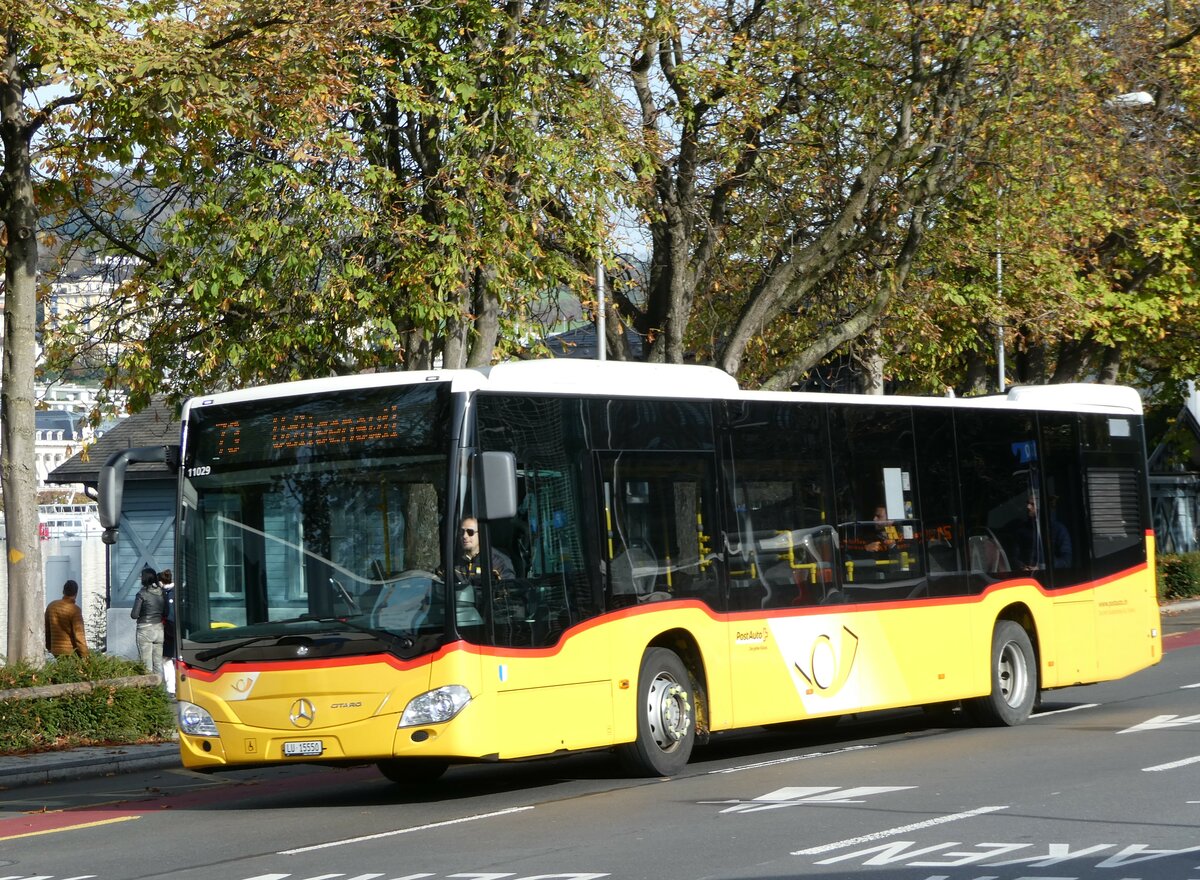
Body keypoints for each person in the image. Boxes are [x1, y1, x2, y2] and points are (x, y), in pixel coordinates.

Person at [1014, 493, 1072, 572]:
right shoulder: (1021, 530)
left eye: (1032, 504)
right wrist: (1023, 567)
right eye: (1027, 503)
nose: (1028, 507)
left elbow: (1066, 561)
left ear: (1043, 507)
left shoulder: (1059, 529)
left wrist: (1042, 567)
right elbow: (1015, 557)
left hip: (1050, 577)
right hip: (1026, 576)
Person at [454, 516, 515, 583]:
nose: (464, 536)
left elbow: (508, 589)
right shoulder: (454, 560)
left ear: (481, 534)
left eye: (470, 532)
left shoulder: (499, 562)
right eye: (462, 532)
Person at [131, 567, 166, 677]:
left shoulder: (142, 594)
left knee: (146, 666)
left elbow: (134, 615)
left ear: (144, 578)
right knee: (158, 664)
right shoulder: (161, 593)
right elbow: (166, 611)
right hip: (159, 629)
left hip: (145, 629)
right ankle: (160, 690)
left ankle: (149, 691)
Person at [45, 579, 89, 658]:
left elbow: (46, 629)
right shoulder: (75, 610)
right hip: (71, 652)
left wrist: (49, 647)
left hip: (55, 650)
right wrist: (86, 656)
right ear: (76, 593)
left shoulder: (51, 606)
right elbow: (79, 636)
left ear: (63, 591)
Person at [159, 568, 177, 695]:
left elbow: (165, 613)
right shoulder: (178, 592)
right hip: (178, 629)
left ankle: (170, 688)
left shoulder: (162, 594)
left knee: (166, 659)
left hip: (167, 629)